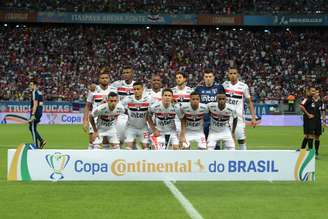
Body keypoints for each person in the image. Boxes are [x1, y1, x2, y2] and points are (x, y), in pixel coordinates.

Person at [223, 67, 256, 150]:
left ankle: (243, 158)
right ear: (228, 74)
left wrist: (253, 117)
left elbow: (249, 102)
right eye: (231, 73)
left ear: (237, 74)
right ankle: (225, 160)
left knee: (241, 140)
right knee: (227, 140)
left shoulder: (243, 86)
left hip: (239, 118)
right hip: (226, 117)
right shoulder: (224, 85)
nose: (233, 75)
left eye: (234, 73)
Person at [83, 72, 112, 149]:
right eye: (102, 78)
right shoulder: (93, 90)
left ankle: (106, 160)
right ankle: (90, 159)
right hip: (95, 119)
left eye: (106, 78)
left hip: (107, 119)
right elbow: (87, 106)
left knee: (106, 141)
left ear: (109, 79)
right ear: (99, 80)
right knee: (92, 140)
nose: (104, 80)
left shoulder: (113, 90)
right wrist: (85, 121)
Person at [194, 69, 224, 141]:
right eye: (206, 77)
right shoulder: (198, 88)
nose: (208, 79)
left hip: (216, 119)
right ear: (203, 78)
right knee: (204, 142)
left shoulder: (219, 87)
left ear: (213, 77)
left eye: (210, 76)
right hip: (203, 120)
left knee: (215, 143)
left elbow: (223, 102)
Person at [121, 82, 153, 150]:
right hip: (131, 128)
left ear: (142, 89)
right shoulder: (128, 99)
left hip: (143, 128)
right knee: (128, 148)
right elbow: (119, 106)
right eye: (134, 89)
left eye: (138, 89)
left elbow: (156, 107)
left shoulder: (148, 99)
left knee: (146, 148)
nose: (136, 91)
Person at [28, 78, 46, 149]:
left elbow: (35, 104)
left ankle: (36, 145)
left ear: (35, 85)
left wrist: (32, 115)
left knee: (32, 128)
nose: (30, 86)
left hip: (35, 113)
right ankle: (41, 140)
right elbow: (40, 104)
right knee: (32, 127)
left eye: (31, 84)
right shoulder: (39, 92)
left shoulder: (34, 93)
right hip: (39, 112)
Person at [313, 89, 326, 159]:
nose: (317, 94)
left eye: (318, 93)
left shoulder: (321, 102)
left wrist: (324, 121)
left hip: (318, 121)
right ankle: (310, 152)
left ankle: (316, 152)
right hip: (311, 121)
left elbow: (323, 111)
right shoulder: (310, 101)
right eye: (316, 93)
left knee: (317, 137)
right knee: (310, 136)